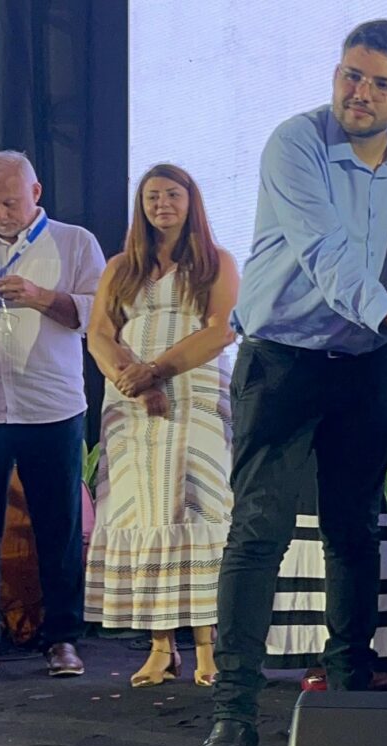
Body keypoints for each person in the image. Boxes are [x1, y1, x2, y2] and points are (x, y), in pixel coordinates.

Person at [196, 20, 387, 746]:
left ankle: (347, 705)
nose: (359, 93)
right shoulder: (295, 142)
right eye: (350, 75)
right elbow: (325, 253)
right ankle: (234, 718)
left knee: (353, 530)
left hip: (367, 364)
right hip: (282, 360)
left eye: (379, 83)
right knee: (259, 531)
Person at [84, 164, 238, 688]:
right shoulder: (120, 267)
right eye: (152, 196)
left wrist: (156, 371)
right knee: (142, 512)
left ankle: (207, 649)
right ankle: (159, 649)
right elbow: (100, 333)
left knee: (197, 509)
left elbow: (220, 330)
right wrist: (129, 377)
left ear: (191, 201)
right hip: (130, 404)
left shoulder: (216, 261)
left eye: (172, 194)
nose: (162, 204)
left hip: (192, 396)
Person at [0, 150, 104, 678]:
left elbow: (99, 315)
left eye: (9, 202)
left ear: (36, 192)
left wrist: (41, 296)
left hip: (51, 405)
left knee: (59, 527)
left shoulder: (76, 242)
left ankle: (63, 639)